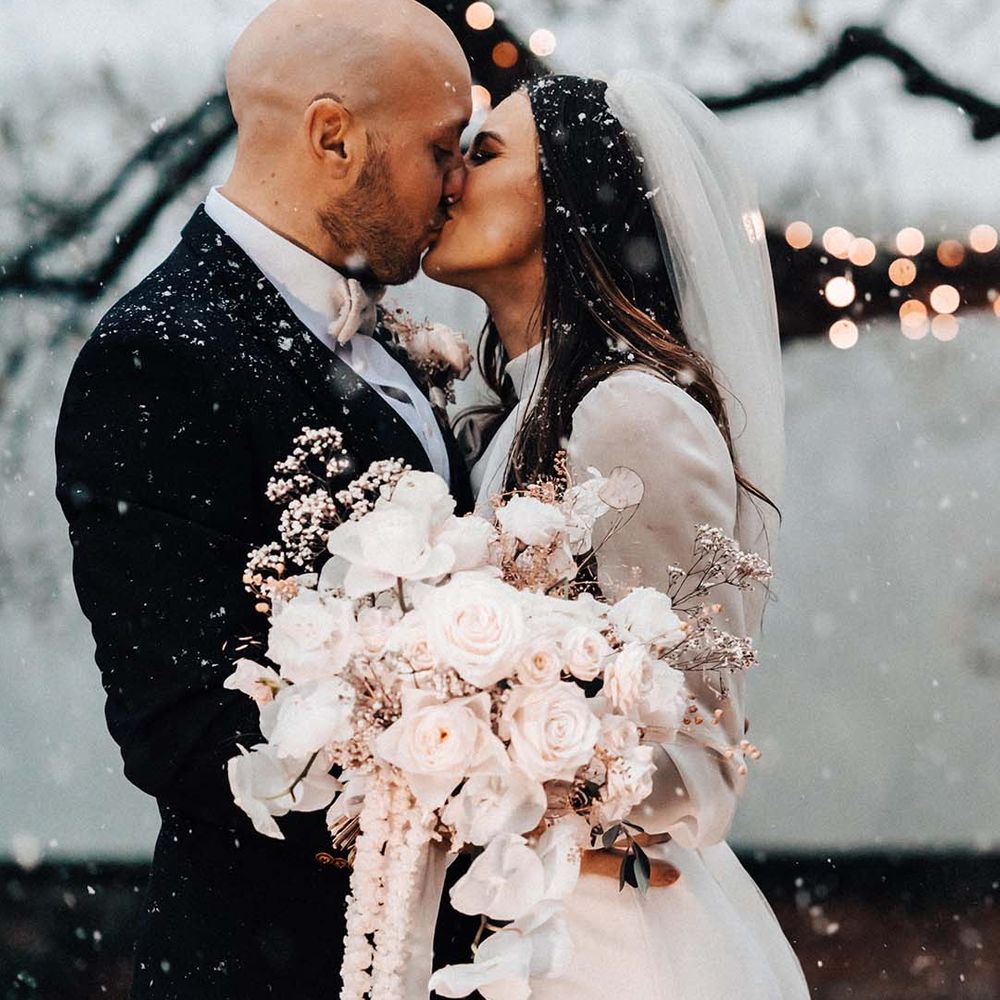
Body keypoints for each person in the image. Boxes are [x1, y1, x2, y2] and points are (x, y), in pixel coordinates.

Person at [54, 0, 477, 996]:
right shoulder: (162, 351)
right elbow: (180, 721)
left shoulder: (382, 325)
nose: (459, 182)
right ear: (333, 135)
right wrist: (455, 782)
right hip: (271, 952)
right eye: (441, 149)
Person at [423, 73, 810, 997]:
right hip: (510, 922)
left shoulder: (629, 413)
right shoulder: (501, 414)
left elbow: (701, 764)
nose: (450, 180)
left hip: (601, 941)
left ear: (573, 194)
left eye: (484, 154)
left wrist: (487, 748)